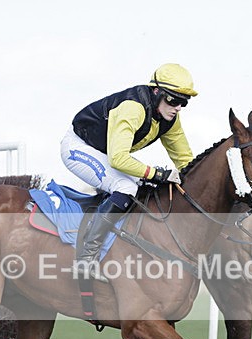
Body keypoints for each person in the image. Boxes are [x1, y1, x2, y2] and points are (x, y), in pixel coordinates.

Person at [61, 63, 197, 281]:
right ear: (156, 92)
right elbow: (118, 159)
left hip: (106, 153)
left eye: (184, 102)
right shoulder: (133, 108)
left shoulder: (170, 120)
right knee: (126, 186)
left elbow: (184, 161)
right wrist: (158, 173)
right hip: (79, 147)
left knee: (146, 187)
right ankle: (86, 258)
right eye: (173, 100)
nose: (178, 107)